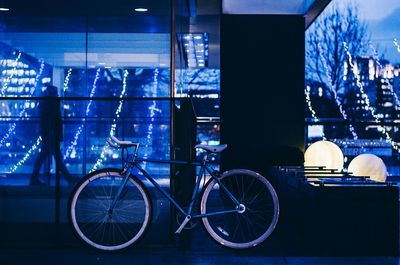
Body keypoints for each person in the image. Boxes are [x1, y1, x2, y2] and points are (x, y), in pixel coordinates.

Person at [30, 84, 73, 185]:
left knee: (46, 156)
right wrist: (53, 133)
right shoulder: (50, 104)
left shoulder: (45, 103)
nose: (57, 95)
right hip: (51, 134)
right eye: (56, 93)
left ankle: (34, 178)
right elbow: (54, 120)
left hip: (49, 134)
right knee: (55, 157)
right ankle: (69, 178)